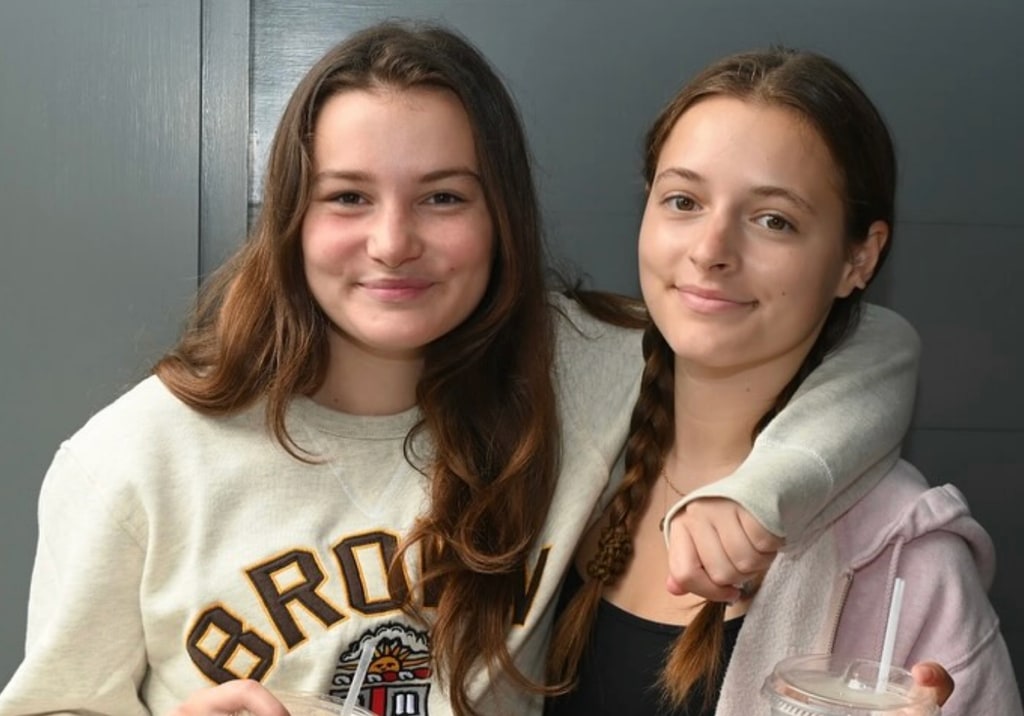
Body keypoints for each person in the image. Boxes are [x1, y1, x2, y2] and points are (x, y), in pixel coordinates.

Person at [0, 24, 932, 716]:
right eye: (348, 197)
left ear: (500, 220)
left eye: (443, 196)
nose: (394, 242)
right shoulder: (133, 459)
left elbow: (869, 344)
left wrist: (764, 493)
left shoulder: (571, 369)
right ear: (290, 215)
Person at [545, 47, 1021, 716]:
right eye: (683, 200)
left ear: (860, 257)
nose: (711, 250)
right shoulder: (553, 457)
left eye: (774, 220)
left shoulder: (907, 560)